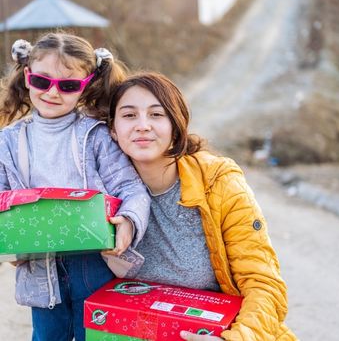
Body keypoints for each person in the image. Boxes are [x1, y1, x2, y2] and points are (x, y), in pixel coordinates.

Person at [109, 72, 298, 341]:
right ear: (113, 130)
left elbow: (264, 284)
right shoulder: (103, 194)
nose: (142, 125)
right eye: (129, 115)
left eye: (156, 115)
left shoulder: (219, 184)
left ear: (176, 127)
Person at [0, 32, 150, 341]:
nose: (53, 92)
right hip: (39, 267)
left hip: (94, 262)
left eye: (67, 86)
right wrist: (11, 240)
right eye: (43, 81)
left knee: (94, 336)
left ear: (85, 86)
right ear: (28, 77)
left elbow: (131, 188)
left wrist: (129, 223)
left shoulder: (94, 136)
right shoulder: (8, 142)